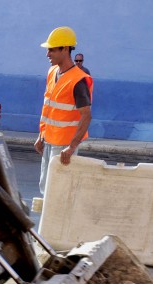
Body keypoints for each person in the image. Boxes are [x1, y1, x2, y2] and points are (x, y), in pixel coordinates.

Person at [35, 26, 93, 197]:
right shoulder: (52, 72)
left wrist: (71, 147)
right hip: (49, 140)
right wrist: (41, 135)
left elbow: (86, 115)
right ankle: (47, 224)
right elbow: (49, 107)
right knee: (46, 186)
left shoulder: (78, 80)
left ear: (65, 49)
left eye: (52, 50)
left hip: (63, 146)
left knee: (58, 191)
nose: (48, 54)